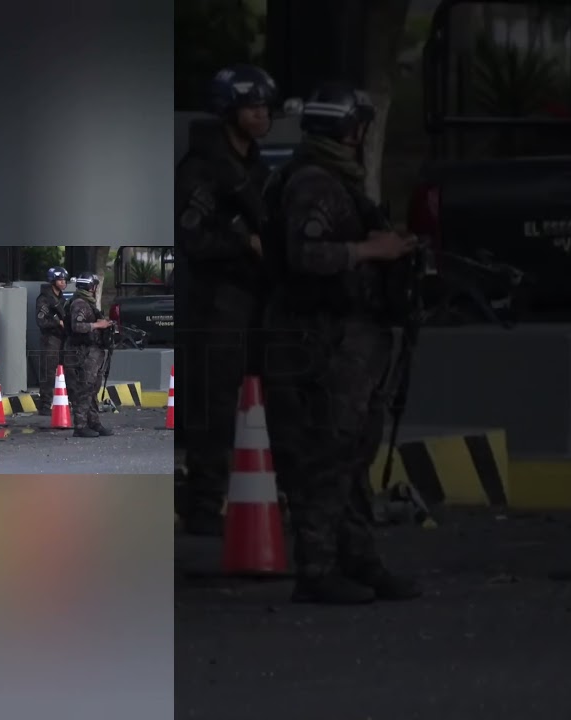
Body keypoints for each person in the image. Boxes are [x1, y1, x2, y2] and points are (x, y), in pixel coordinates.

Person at [261, 80, 423, 605]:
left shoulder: (336, 180)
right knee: (327, 455)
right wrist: (371, 250)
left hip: (346, 340)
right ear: (349, 130)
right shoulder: (313, 183)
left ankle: (358, 560)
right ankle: (317, 568)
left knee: (353, 457)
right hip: (320, 341)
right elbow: (305, 256)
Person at [176, 64, 278, 537]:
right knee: (213, 406)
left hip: (255, 300)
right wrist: (244, 244)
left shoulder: (254, 168)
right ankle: (202, 504)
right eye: (252, 106)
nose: (262, 114)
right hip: (215, 303)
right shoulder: (202, 169)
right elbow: (192, 240)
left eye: (265, 106)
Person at [62, 272, 114, 438]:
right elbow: (77, 326)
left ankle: (94, 423)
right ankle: (80, 425)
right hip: (81, 353)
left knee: (92, 389)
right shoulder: (80, 303)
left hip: (91, 352)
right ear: (91, 287)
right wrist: (97, 325)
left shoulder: (87, 303)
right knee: (84, 389)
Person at [35, 266, 70, 414]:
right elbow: (41, 321)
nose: (63, 282)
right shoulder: (44, 299)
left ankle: (63, 401)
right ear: (53, 281)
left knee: (66, 370)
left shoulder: (61, 298)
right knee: (48, 372)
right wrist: (58, 322)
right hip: (50, 339)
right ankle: (45, 405)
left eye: (64, 280)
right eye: (60, 280)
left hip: (62, 338)